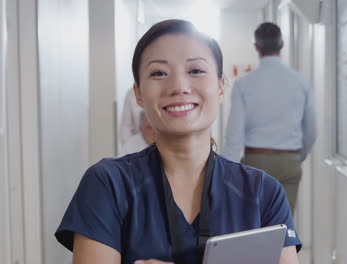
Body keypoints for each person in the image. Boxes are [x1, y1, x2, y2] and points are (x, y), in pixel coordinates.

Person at [55, 19, 301, 264]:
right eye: (158, 73)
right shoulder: (108, 184)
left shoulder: (263, 193)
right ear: (138, 93)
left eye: (195, 70)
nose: (179, 86)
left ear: (220, 86)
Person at [222, 22, 317, 213]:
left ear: (256, 48)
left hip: (256, 163)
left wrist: (226, 174)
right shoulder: (300, 82)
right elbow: (312, 131)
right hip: (289, 160)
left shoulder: (243, 84)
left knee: (253, 225)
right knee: (284, 226)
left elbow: (234, 134)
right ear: (281, 45)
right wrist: (297, 157)